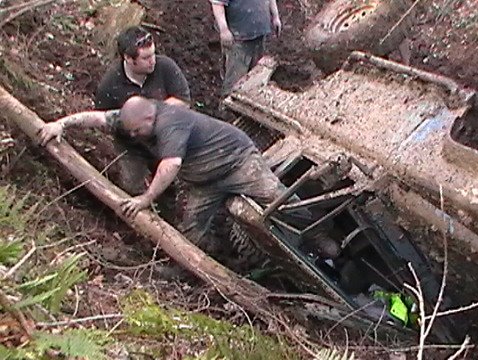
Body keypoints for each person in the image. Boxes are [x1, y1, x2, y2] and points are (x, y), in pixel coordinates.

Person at [38, 97, 339, 260]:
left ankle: (319, 236)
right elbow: (100, 118)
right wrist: (60, 124)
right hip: (204, 181)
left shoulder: (171, 123)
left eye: (136, 132)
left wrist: (145, 199)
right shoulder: (134, 119)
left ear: (150, 118)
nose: (132, 137)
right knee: (192, 228)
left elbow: (169, 166)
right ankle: (225, 261)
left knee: (280, 199)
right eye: (129, 132)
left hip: (237, 162)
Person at [95, 25, 191, 196]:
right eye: (146, 58)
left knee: (168, 185)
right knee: (131, 185)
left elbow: (183, 101)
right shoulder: (110, 85)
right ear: (128, 59)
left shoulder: (165, 67)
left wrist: (152, 112)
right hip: (131, 145)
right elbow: (105, 120)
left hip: (162, 137)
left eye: (153, 54)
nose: (152, 61)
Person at [209, 0, 282, 97]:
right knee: (235, 79)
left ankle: (249, 100)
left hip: (259, 33)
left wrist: (275, 16)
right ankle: (228, 105)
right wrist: (224, 30)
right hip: (239, 38)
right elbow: (217, 3)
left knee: (256, 74)